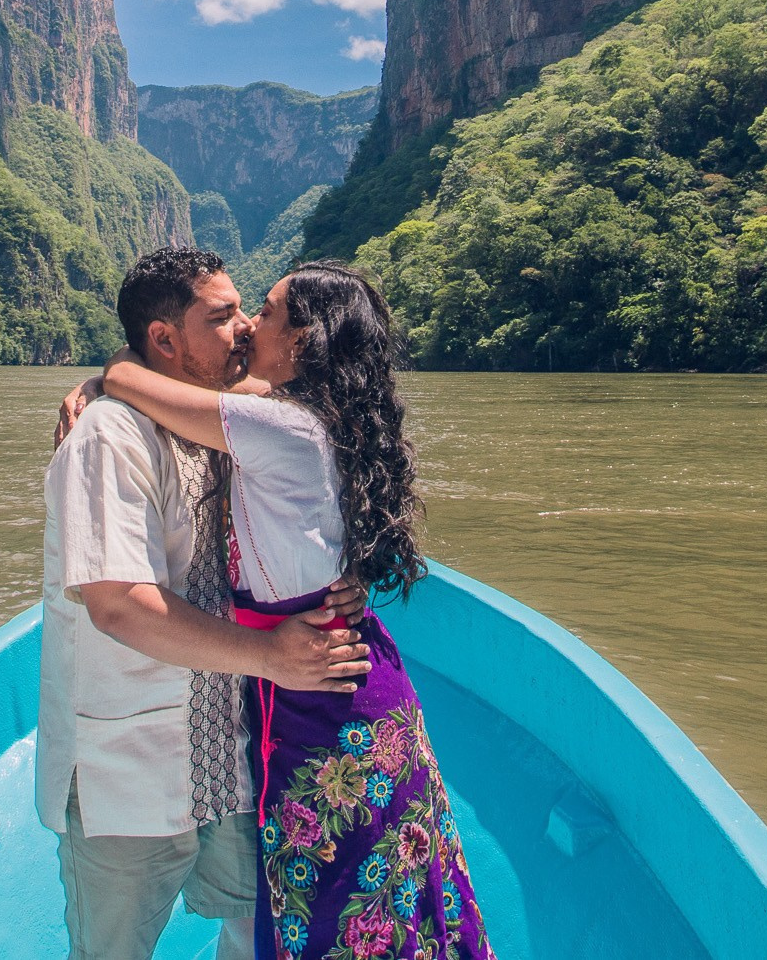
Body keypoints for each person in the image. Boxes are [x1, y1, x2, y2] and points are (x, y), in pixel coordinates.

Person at [82, 261, 494, 960]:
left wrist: (101, 377)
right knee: (381, 897)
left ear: (304, 340)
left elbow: (137, 382)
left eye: (266, 313)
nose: (248, 325)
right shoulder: (310, 418)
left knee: (336, 909)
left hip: (322, 701)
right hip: (351, 684)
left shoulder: (276, 425)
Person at [41, 247, 373, 960]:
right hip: (126, 773)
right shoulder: (106, 435)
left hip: (229, 754)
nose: (247, 327)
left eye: (249, 310)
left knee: (259, 935)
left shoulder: (226, 421)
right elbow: (117, 605)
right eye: (222, 317)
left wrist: (339, 577)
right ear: (165, 339)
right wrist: (270, 655)